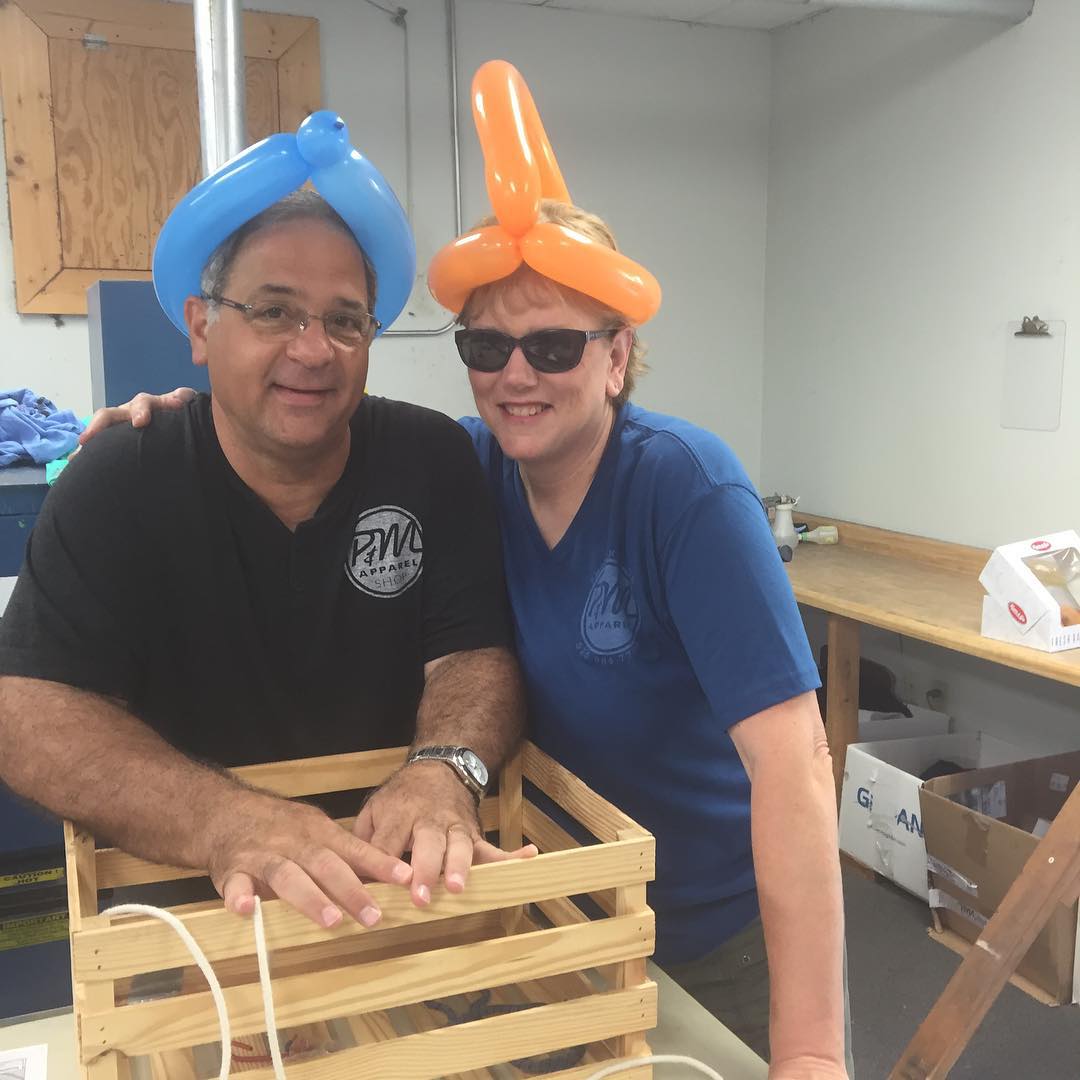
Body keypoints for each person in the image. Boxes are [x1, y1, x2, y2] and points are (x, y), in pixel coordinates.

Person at [88, 197, 850, 1079]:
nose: (516, 375)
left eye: (553, 346)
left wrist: (810, 1050)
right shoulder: (467, 467)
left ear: (616, 357)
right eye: (486, 346)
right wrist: (196, 421)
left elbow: (793, 762)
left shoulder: (686, 492)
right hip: (552, 915)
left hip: (712, 939)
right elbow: (302, 439)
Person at [0, 189, 534, 934]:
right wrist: (225, 821)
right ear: (201, 327)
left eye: (344, 320)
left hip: (403, 904)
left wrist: (446, 767)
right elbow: (27, 710)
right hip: (198, 929)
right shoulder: (120, 480)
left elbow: (472, 654)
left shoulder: (432, 458)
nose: (313, 350)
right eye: (274, 311)